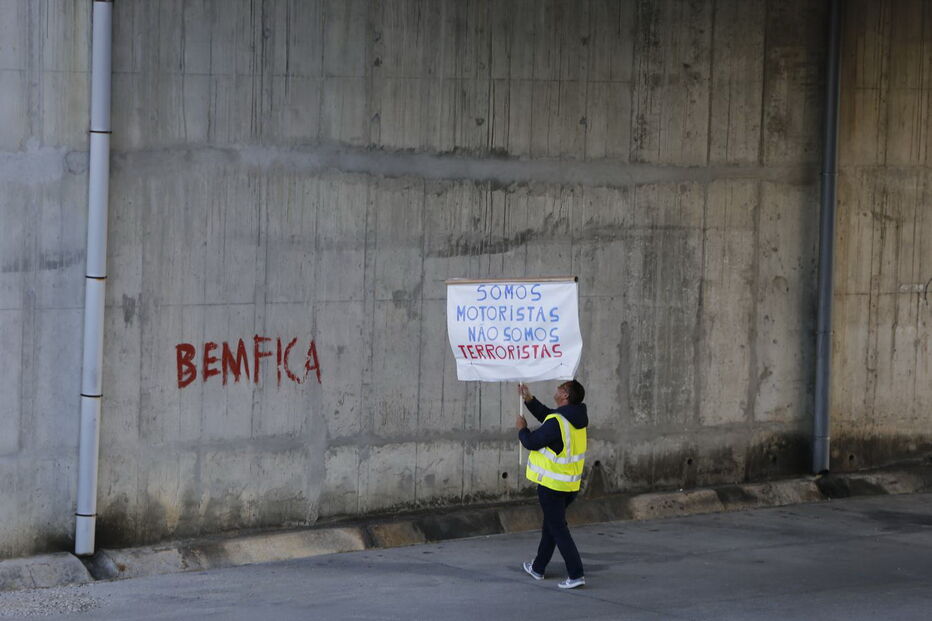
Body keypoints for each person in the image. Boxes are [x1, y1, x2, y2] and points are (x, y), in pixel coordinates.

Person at [515, 380, 588, 589]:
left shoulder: (559, 421)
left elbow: (531, 442)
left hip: (552, 486)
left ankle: (576, 574)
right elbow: (548, 416)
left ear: (565, 395)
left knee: (557, 529)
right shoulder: (575, 417)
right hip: (569, 485)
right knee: (551, 526)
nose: (556, 390)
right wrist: (529, 399)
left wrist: (522, 429)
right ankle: (538, 568)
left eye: (560, 388)